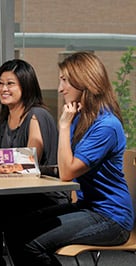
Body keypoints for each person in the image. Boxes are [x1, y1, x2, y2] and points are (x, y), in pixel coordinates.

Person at [8, 51, 134, 265]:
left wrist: (64, 126)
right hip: (88, 206)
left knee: (31, 243)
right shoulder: (83, 118)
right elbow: (66, 167)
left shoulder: (106, 126)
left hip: (111, 218)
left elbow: (67, 173)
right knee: (14, 229)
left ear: (84, 81)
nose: (60, 88)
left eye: (65, 81)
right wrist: (33, 169)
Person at [0, 59, 70, 266]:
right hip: (12, 193)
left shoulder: (36, 115)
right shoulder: (1, 116)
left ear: (25, 86)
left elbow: (28, 159)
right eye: (0, 83)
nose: (3, 89)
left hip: (42, 196)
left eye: (10, 84)